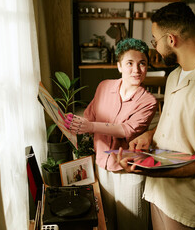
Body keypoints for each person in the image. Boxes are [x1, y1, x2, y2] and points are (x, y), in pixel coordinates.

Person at [114, 2, 195, 230]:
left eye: (155, 40)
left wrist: (152, 167)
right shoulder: (174, 77)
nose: (155, 47)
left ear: (171, 40)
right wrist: (149, 135)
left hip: (187, 207)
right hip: (160, 193)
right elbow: (174, 123)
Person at [65, 38, 157, 230]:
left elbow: (126, 129)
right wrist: (72, 121)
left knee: (132, 224)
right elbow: (89, 115)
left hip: (129, 171)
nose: (137, 70)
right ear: (119, 66)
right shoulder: (104, 86)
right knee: (106, 222)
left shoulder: (149, 101)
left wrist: (90, 127)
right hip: (102, 168)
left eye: (142, 63)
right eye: (130, 63)